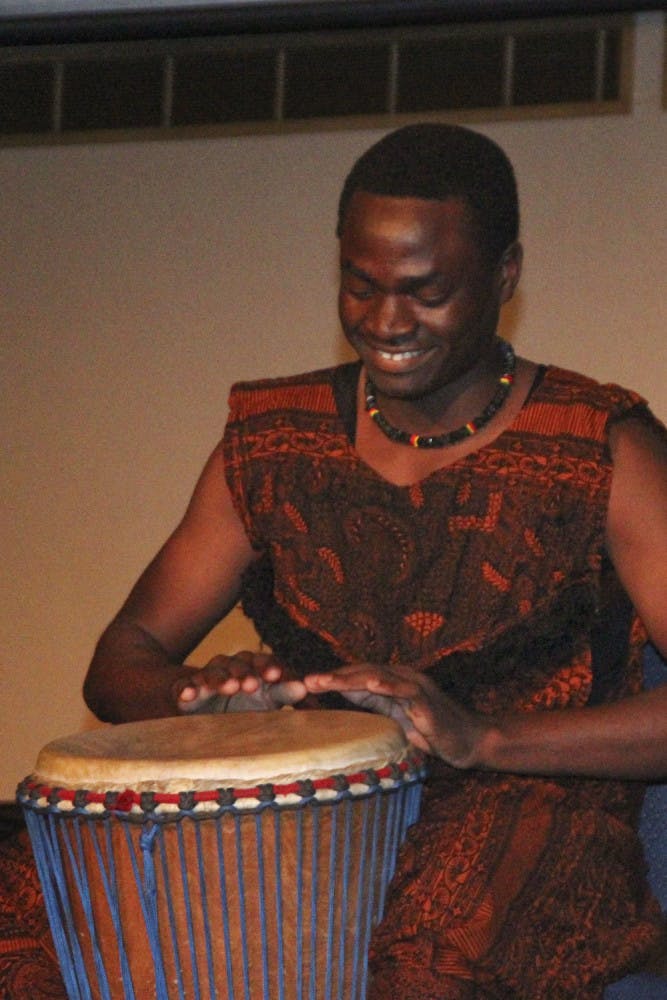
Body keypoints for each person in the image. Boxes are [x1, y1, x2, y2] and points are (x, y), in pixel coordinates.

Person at [82, 123, 667, 999]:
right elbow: (121, 657)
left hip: (533, 819)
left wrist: (483, 737)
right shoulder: (274, 440)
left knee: (425, 960)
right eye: (362, 287)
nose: (387, 322)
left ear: (503, 277)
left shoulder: (600, 447)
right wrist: (202, 700)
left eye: (426, 292)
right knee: (47, 931)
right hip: (312, 818)